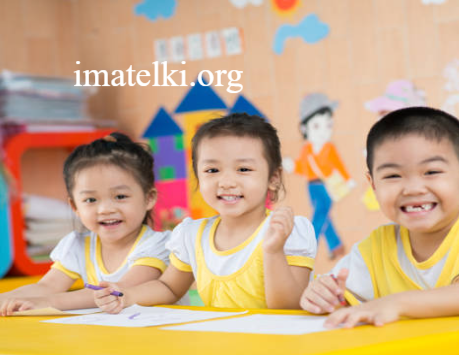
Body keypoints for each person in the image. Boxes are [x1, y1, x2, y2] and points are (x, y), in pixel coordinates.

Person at [300, 107, 459, 355]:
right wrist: (323, 297)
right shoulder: (373, 249)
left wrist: (396, 304)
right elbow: (343, 299)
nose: (412, 188)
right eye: (392, 175)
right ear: (373, 185)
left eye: (431, 172)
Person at [94, 113, 317, 313]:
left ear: (273, 178)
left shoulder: (288, 232)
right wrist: (126, 294)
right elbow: (169, 288)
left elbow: (288, 308)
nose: (227, 182)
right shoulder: (193, 235)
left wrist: (273, 251)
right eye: (212, 170)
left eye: (243, 169)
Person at [0, 133, 171, 316]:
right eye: (91, 200)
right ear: (74, 206)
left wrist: (46, 303)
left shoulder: (157, 245)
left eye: (120, 196)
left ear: (149, 198)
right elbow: (45, 286)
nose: (105, 209)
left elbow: (115, 292)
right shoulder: (78, 244)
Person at [283, 93, 355, 259]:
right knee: (324, 215)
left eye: (328, 125)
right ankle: (336, 246)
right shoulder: (306, 150)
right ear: (304, 129)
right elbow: (303, 167)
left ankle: (310, 241)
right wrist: (292, 166)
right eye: (316, 126)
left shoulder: (329, 148)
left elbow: (339, 165)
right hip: (312, 186)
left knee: (320, 213)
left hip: (327, 185)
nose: (323, 131)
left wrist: (348, 179)